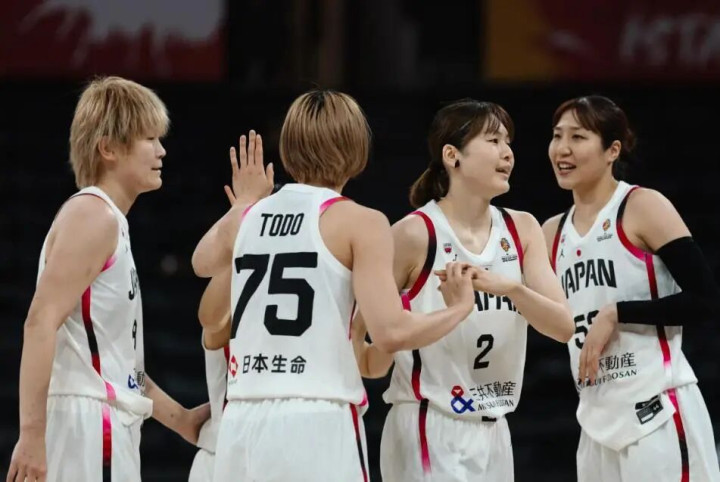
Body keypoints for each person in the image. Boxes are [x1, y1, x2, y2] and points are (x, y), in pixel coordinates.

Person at [191, 90, 477, 481]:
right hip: (317, 415)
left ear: (288, 148)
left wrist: (244, 205)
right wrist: (458, 309)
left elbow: (201, 262)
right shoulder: (362, 222)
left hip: (241, 417)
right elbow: (390, 333)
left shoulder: (250, 215)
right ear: (357, 148)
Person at [353, 99, 574, 481]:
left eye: (508, 142)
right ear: (452, 155)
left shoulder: (522, 228)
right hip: (429, 422)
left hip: (495, 427)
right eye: (493, 140)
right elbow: (358, 332)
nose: (507, 153)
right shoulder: (415, 233)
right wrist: (381, 355)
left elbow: (564, 326)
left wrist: (510, 288)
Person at [6, 76, 209, 482]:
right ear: (109, 148)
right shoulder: (93, 216)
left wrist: (181, 420)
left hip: (103, 423)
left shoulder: (109, 221)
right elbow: (39, 321)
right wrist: (31, 435)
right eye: (149, 138)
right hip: (86, 427)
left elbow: (122, 368)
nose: (162, 150)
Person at [542, 95, 720, 481]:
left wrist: (617, 313)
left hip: (658, 409)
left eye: (578, 136)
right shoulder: (551, 233)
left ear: (612, 150)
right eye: (557, 136)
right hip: (595, 421)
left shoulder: (642, 206)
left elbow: (705, 300)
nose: (563, 148)